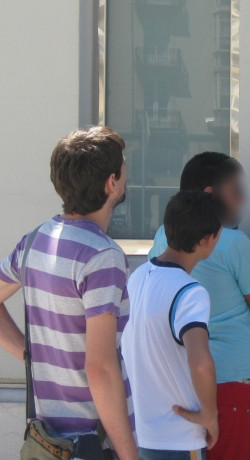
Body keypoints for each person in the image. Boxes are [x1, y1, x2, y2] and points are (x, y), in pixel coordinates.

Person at [0, 127, 137, 459]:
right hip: (89, 444)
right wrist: (129, 454)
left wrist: (29, 353)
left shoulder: (34, 241)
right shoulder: (102, 257)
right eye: (123, 166)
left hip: (44, 443)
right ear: (112, 182)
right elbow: (100, 368)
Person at [148, 152, 250, 460]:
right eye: (235, 190)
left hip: (183, 386)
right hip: (233, 387)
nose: (242, 199)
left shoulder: (162, 238)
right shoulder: (235, 244)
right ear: (210, 195)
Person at [122, 191, 224, 460]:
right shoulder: (190, 292)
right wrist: (210, 416)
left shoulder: (138, 276)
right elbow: (200, 362)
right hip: (179, 438)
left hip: (140, 434)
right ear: (207, 239)